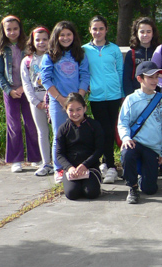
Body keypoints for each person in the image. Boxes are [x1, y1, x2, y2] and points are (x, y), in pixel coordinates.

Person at [118, 61, 162, 204]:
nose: (155, 81)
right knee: (127, 153)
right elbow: (122, 122)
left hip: (152, 148)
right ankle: (132, 187)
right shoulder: (131, 99)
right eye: (150, 77)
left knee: (150, 189)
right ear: (140, 79)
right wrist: (125, 138)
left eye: (157, 77)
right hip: (135, 144)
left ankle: (143, 177)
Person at [40, 21, 90, 183]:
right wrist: (61, 99)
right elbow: (46, 79)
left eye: (69, 34)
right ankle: (59, 169)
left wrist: (79, 98)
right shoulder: (50, 55)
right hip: (58, 101)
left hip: (77, 101)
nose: (66, 38)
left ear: (74, 36)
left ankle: (78, 166)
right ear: (56, 36)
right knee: (59, 135)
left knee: (79, 134)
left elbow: (85, 76)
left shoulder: (80, 54)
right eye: (62, 35)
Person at [0, 15, 41, 173]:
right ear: (4, 31)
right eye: (9, 29)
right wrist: (9, 90)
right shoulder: (1, 50)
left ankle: (36, 157)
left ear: (20, 29)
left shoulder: (28, 47)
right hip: (10, 92)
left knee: (31, 123)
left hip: (28, 91)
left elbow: (33, 69)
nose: (12, 32)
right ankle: (16, 160)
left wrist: (23, 88)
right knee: (14, 125)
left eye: (15, 29)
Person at [82, 15, 124, 184]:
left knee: (112, 130)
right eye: (94, 29)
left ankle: (110, 164)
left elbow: (120, 71)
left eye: (101, 28)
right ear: (90, 30)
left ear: (106, 29)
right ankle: (107, 164)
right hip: (96, 97)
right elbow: (83, 71)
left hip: (114, 96)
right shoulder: (84, 50)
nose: (98, 32)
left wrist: (121, 94)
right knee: (102, 130)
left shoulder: (114, 49)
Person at [55, 93, 103, 201]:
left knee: (91, 193)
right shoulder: (63, 129)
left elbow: (99, 150)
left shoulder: (94, 125)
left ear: (85, 108)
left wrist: (85, 165)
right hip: (71, 170)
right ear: (66, 110)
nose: (75, 113)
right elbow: (59, 153)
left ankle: (92, 183)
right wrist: (69, 168)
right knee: (72, 194)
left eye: (79, 109)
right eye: (71, 110)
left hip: (90, 168)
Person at [21, 26, 54, 176]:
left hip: (53, 99)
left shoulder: (55, 57)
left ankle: (60, 163)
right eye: (38, 40)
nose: (41, 42)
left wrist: (51, 98)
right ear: (32, 42)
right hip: (36, 102)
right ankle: (46, 163)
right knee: (42, 132)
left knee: (58, 132)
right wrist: (35, 102)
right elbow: (26, 83)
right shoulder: (27, 61)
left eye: (45, 39)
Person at [123, 17, 160, 96]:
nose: (145, 35)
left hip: (156, 95)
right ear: (136, 33)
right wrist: (129, 96)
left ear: (153, 33)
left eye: (148, 32)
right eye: (142, 32)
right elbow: (127, 78)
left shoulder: (158, 52)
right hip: (137, 95)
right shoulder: (132, 53)